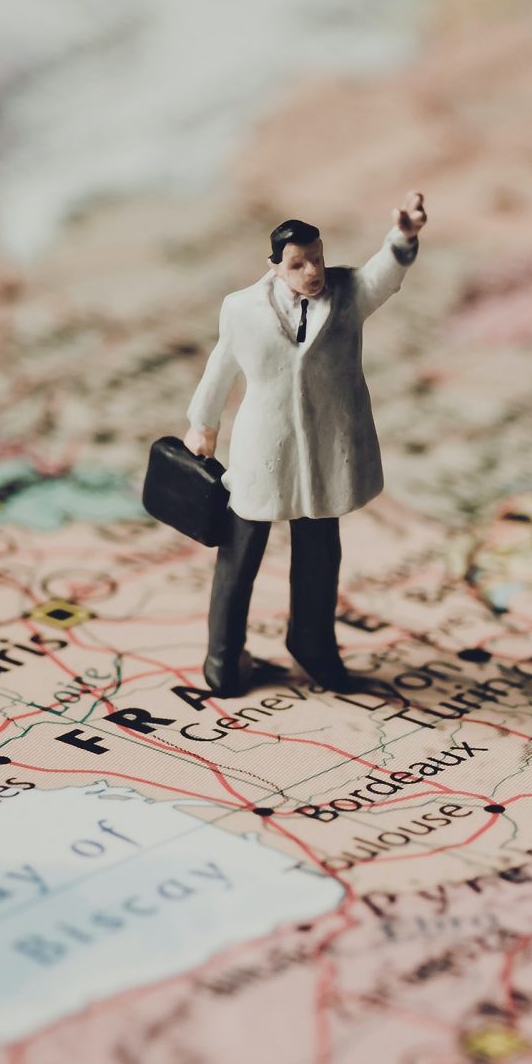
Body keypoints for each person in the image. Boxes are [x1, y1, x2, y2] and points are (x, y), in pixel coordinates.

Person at [185, 192, 428, 695]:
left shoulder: (348, 292)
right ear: (275, 266)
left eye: (316, 258)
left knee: (320, 552)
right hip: (261, 448)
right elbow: (220, 367)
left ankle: (313, 644)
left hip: (325, 448)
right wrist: (202, 423)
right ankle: (224, 658)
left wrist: (403, 237)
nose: (312, 271)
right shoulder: (241, 308)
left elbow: (384, 274)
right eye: (298, 264)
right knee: (240, 552)